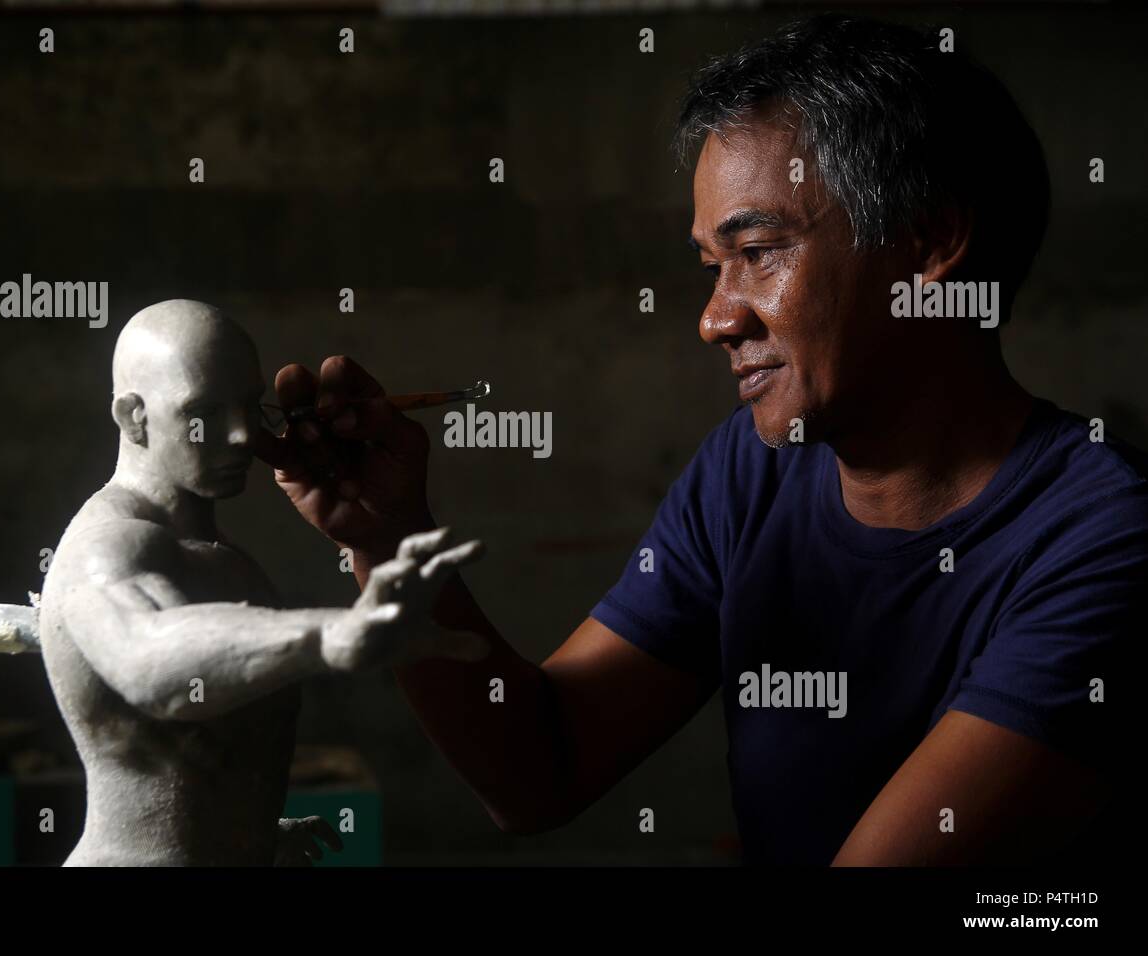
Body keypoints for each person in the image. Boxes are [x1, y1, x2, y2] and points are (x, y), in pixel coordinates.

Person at [254, 16, 1145, 865]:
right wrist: (387, 538)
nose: (716, 319)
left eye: (757, 251)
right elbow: (539, 770)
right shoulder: (749, 474)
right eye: (711, 268)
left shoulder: (1105, 542)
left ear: (930, 242)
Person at [39, 299, 486, 866]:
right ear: (134, 417)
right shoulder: (107, 547)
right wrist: (327, 636)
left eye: (249, 407)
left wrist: (241, 828)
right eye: (203, 412)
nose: (239, 436)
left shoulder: (218, 555)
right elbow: (146, 660)